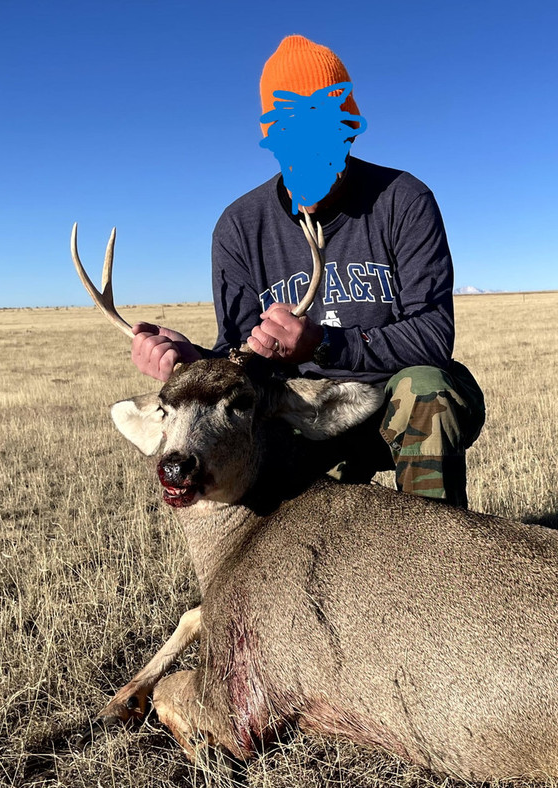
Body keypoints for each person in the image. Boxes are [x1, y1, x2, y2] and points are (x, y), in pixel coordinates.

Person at [130, 36, 484, 507]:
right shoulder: (240, 227)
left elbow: (434, 337)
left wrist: (324, 343)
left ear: (349, 129)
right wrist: (192, 360)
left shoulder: (403, 200)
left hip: (395, 399)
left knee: (426, 390)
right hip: (304, 409)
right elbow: (241, 358)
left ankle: (440, 544)